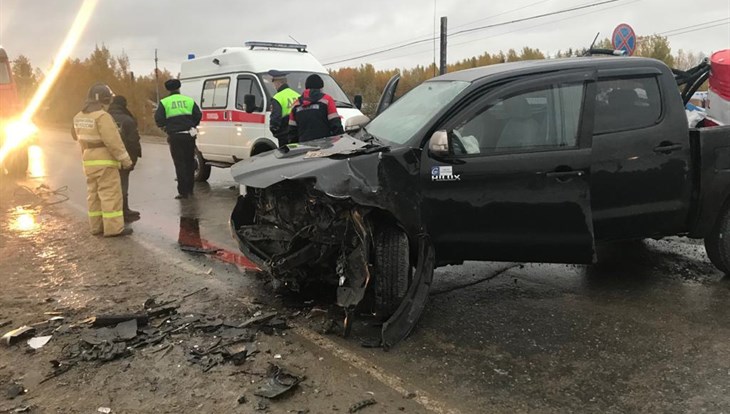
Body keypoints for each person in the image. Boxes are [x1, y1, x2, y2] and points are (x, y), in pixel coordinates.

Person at [72, 83, 134, 237]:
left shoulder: (78, 117)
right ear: (104, 100)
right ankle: (113, 228)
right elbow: (113, 142)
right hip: (104, 161)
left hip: (88, 160)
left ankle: (96, 226)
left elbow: (78, 139)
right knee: (110, 194)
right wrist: (126, 161)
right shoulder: (102, 117)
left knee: (93, 195)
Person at [155, 78, 202, 199]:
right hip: (188, 135)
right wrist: (192, 125)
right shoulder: (188, 100)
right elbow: (198, 114)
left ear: (168, 89)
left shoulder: (165, 102)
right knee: (189, 162)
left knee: (179, 163)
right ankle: (190, 190)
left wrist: (166, 128)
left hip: (175, 136)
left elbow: (159, 119)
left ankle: (183, 191)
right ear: (179, 87)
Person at [107, 95, 142, 222]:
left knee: (107, 187)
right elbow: (133, 141)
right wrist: (133, 158)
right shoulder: (128, 120)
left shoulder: (103, 117)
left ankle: (109, 210)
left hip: (104, 157)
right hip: (123, 157)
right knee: (122, 183)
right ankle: (123, 210)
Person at [288, 74, 344, 144]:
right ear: (320, 88)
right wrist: (341, 142)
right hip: (325, 146)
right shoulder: (327, 99)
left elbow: (292, 131)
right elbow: (335, 124)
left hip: (304, 148)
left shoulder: (296, 104)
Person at [267, 70, 300, 146]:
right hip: (298, 134)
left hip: (285, 136)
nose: (274, 85)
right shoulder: (297, 95)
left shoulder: (277, 98)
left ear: (278, 82)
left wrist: (276, 132)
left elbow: (275, 119)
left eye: (273, 82)